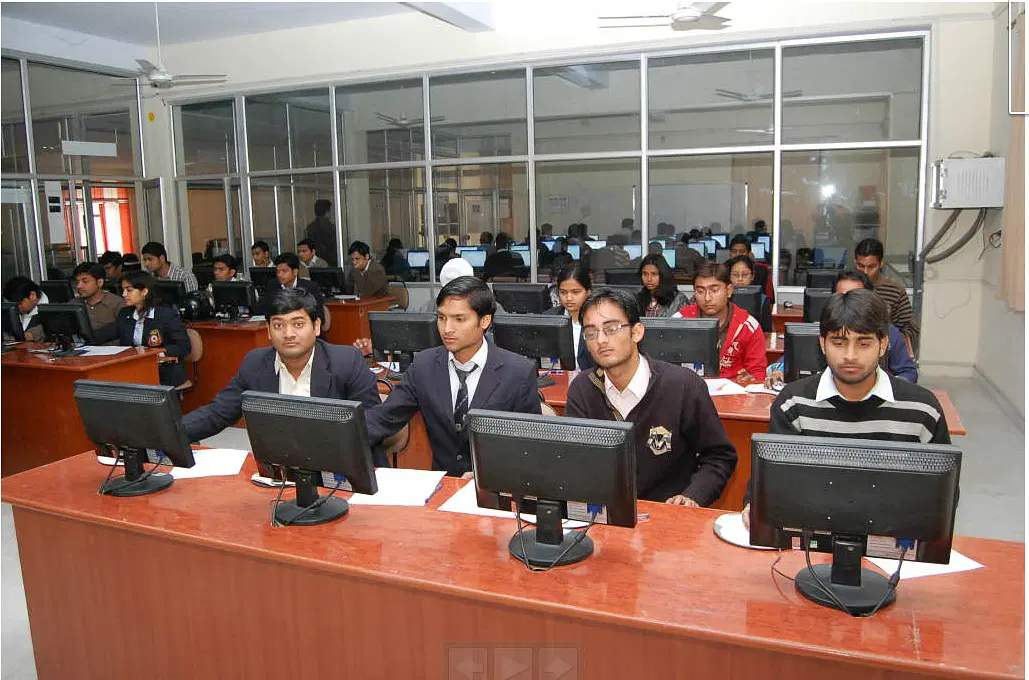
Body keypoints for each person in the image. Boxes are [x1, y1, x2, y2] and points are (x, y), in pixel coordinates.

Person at [742, 289, 950, 528]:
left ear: (883, 345)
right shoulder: (794, 402)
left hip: (892, 533)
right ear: (822, 344)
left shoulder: (922, 409)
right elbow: (773, 477)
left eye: (864, 344)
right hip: (811, 529)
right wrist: (756, 503)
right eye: (838, 343)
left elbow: (940, 494)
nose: (850, 356)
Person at [564, 288, 737, 505]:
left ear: (636, 332)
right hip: (605, 512)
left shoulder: (683, 386)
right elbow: (575, 461)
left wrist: (693, 496)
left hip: (668, 514)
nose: (601, 340)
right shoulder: (583, 388)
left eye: (611, 329)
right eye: (591, 333)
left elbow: (719, 457)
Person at [363, 276, 541, 477]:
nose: (447, 329)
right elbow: (383, 418)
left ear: (485, 321)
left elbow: (530, 447)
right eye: (441, 318)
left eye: (459, 319)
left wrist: (491, 475)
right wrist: (340, 440)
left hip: (496, 486)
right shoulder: (424, 366)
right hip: (444, 485)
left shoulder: (518, 372)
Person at [182, 289, 382, 449]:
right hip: (281, 469)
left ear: (316, 326)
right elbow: (217, 413)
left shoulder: (346, 361)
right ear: (268, 330)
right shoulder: (255, 363)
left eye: (298, 324)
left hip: (339, 466)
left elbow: (372, 422)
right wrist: (172, 432)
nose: (288, 334)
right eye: (278, 326)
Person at [764, 270, 918, 386]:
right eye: (842, 296)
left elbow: (909, 372)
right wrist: (778, 371)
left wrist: (888, 386)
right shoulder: (824, 330)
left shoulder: (887, 332)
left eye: (855, 295)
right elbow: (784, 363)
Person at [673, 262, 766, 386]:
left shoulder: (747, 326)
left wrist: (751, 380)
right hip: (689, 389)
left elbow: (758, 373)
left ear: (729, 291)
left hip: (732, 393)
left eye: (714, 290)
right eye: (700, 291)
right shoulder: (679, 321)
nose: (707, 298)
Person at [104, 271, 191, 387]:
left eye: (129, 290)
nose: (124, 294)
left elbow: (183, 346)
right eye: (123, 290)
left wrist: (153, 354)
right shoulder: (125, 314)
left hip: (164, 371)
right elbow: (106, 333)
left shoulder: (166, 315)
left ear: (144, 291)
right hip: (135, 369)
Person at [854, 238, 919, 354]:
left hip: (884, 353)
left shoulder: (895, 291)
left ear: (881, 264)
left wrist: (893, 342)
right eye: (860, 266)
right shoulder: (847, 287)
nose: (865, 272)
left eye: (871, 266)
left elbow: (910, 328)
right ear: (855, 262)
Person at [543, 262, 595, 371]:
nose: (569, 298)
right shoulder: (549, 318)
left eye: (575, 292)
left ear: (588, 292)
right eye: (563, 292)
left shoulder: (599, 319)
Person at [72, 262, 124, 338]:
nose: (79, 286)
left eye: (84, 281)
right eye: (77, 282)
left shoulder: (117, 303)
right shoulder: (73, 305)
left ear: (99, 282)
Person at [726, 255, 772, 331]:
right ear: (729, 276)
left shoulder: (762, 300)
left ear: (752, 276)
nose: (740, 279)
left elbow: (767, 331)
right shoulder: (723, 298)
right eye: (735, 275)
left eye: (744, 275)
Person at [637, 253, 689, 318]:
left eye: (654, 274)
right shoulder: (638, 298)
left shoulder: (679, 300)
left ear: (663, 274)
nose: (649, 279)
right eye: (645, 274)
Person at [728, 235, 774, 302]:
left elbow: (770, 299)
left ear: (749, 253)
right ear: (730, 253)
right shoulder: (724, 269)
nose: (738, 254)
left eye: (742, 251)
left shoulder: (762, 269)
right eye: (734, 251)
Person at [2, 276, 48, 341]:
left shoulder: (51, 311)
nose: (16, 308)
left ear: (32, 296)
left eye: (19, 304)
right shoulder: (13, 310)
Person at [305, 199, 338, 267]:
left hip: (314, 265)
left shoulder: (309, 228)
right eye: (330, 211)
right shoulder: (331, 228)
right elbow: (334, 249)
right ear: (327, 212)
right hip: (330, 265)